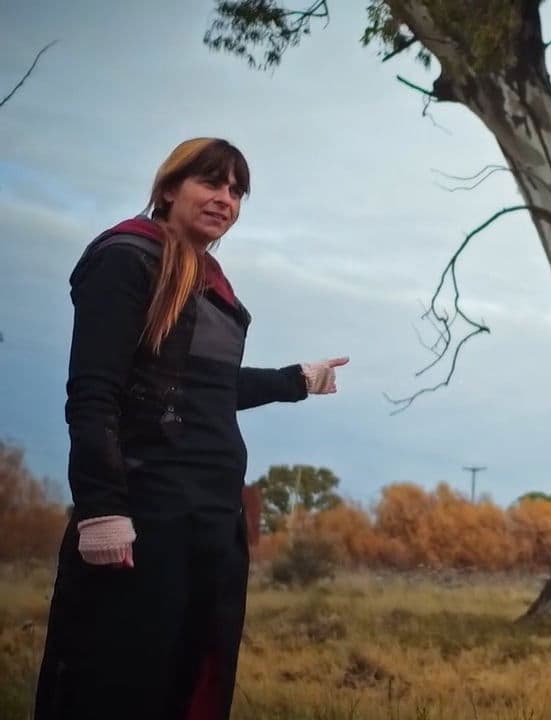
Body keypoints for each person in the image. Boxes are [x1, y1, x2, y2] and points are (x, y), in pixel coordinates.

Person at [33, 137, 347, 719]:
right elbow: (95, 391)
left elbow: (203, 388)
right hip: (145, 515)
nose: (225, 198)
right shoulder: (127, 258)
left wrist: (296, 380)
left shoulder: (211, 281)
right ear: (170, 188)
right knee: (116, 685)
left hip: (211, 519)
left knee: (188, 684)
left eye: (237, 190)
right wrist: (102, 510)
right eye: (211, 182)